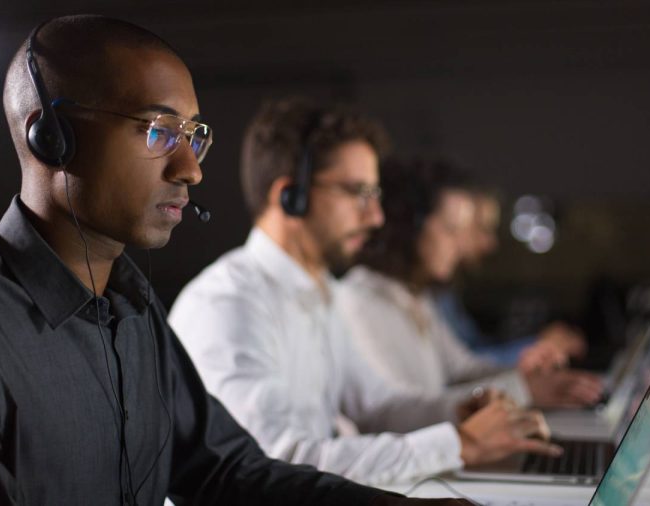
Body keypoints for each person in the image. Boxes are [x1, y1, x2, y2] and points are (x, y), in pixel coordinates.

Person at [0, 15, 470, 506]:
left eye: (192, 136)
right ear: (51, 137)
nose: (191, 169)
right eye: (158, 131)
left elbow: (225, 470)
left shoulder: (132, 307)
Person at [169, 97, 562, 487]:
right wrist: (458, 443)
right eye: (357, 192)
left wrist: (460, 410)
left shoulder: (322, 293)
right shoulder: (228, 304)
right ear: (289, 195)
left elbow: (377, 405)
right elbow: (275, 461)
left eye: (374, 196)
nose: (375, 217)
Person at [337, 158, 603, 409]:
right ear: (409, 227)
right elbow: (393, 410)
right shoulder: (359, 300)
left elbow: (462, 370)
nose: (461, 245)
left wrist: (525, 373)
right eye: (452, 230)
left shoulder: (414, 296)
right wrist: (522, 390)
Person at [433, 189, 589, 373]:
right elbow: (463, 366)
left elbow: (469, 352)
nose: (491, 244)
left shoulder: (444, 292)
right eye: (483, 229)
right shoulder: (429, 294)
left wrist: (537, 346)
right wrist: (536, 347)